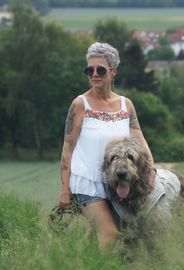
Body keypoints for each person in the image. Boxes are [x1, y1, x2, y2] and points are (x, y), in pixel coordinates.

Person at [58, 42, 156, 253]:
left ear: (113, 71)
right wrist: (64, 189)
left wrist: (152, 171)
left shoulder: (125, 105)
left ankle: (76, 269)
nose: (94, 74)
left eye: (100, 70)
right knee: (110, 233)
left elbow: (140, 140)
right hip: (86, 182)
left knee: (99, 233)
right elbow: (67, 148)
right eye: (89, 70)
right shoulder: (80, 104)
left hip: (115, 183)